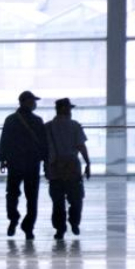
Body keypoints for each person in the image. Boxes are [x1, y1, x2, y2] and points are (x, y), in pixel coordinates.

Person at [0, 91, 49, 240]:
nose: (35, 104)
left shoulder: (11, 120)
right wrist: (46, 162)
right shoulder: (37, 121)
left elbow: (4, 140)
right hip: (32, 163)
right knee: (32, 196)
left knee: (12, 194)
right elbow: (43, 144)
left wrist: (3, 159)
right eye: (33, 101)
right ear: (25, 102)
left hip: (15, 163)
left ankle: (13, 218)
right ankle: (28, 227)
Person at [45, 98, 91, 240]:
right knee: (76, 198)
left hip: (54, 167)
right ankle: (74, 222)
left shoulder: (47, 127)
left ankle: (60, 229)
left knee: (57, 201)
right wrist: (88, 163)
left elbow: (44, 149)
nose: (70, 111)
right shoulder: (75, 126)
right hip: (72, 166)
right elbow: (81, 146)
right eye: (69, 108)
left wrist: (45, 166)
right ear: (65, 109)